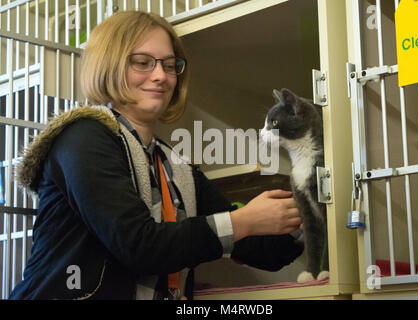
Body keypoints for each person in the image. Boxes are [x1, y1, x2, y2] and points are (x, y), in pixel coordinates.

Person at [9, 11, 303, 300]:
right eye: (142, 62)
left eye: (170, 65)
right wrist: (244, 221)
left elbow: (263, 251)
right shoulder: (82, 137)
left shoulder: (178, 170)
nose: (162, 76)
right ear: (108, 65)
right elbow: (140, 245)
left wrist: (305, 211)